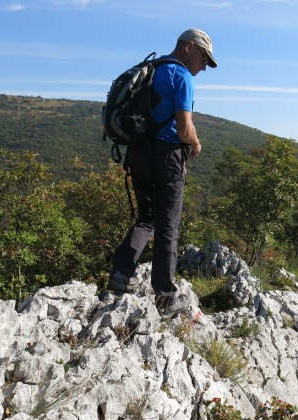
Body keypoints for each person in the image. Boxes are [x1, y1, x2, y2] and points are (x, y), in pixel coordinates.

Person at [107, 29, 217, 316]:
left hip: (138, 152)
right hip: (166, 156)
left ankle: (120, 274)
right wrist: (196, 142)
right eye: (204, 58)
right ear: (189, 47)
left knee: (146, 218)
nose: (203, 66)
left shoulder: (150, 70)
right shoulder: (182, 77)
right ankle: (166, 297)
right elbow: (184, 128)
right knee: (168, 223)